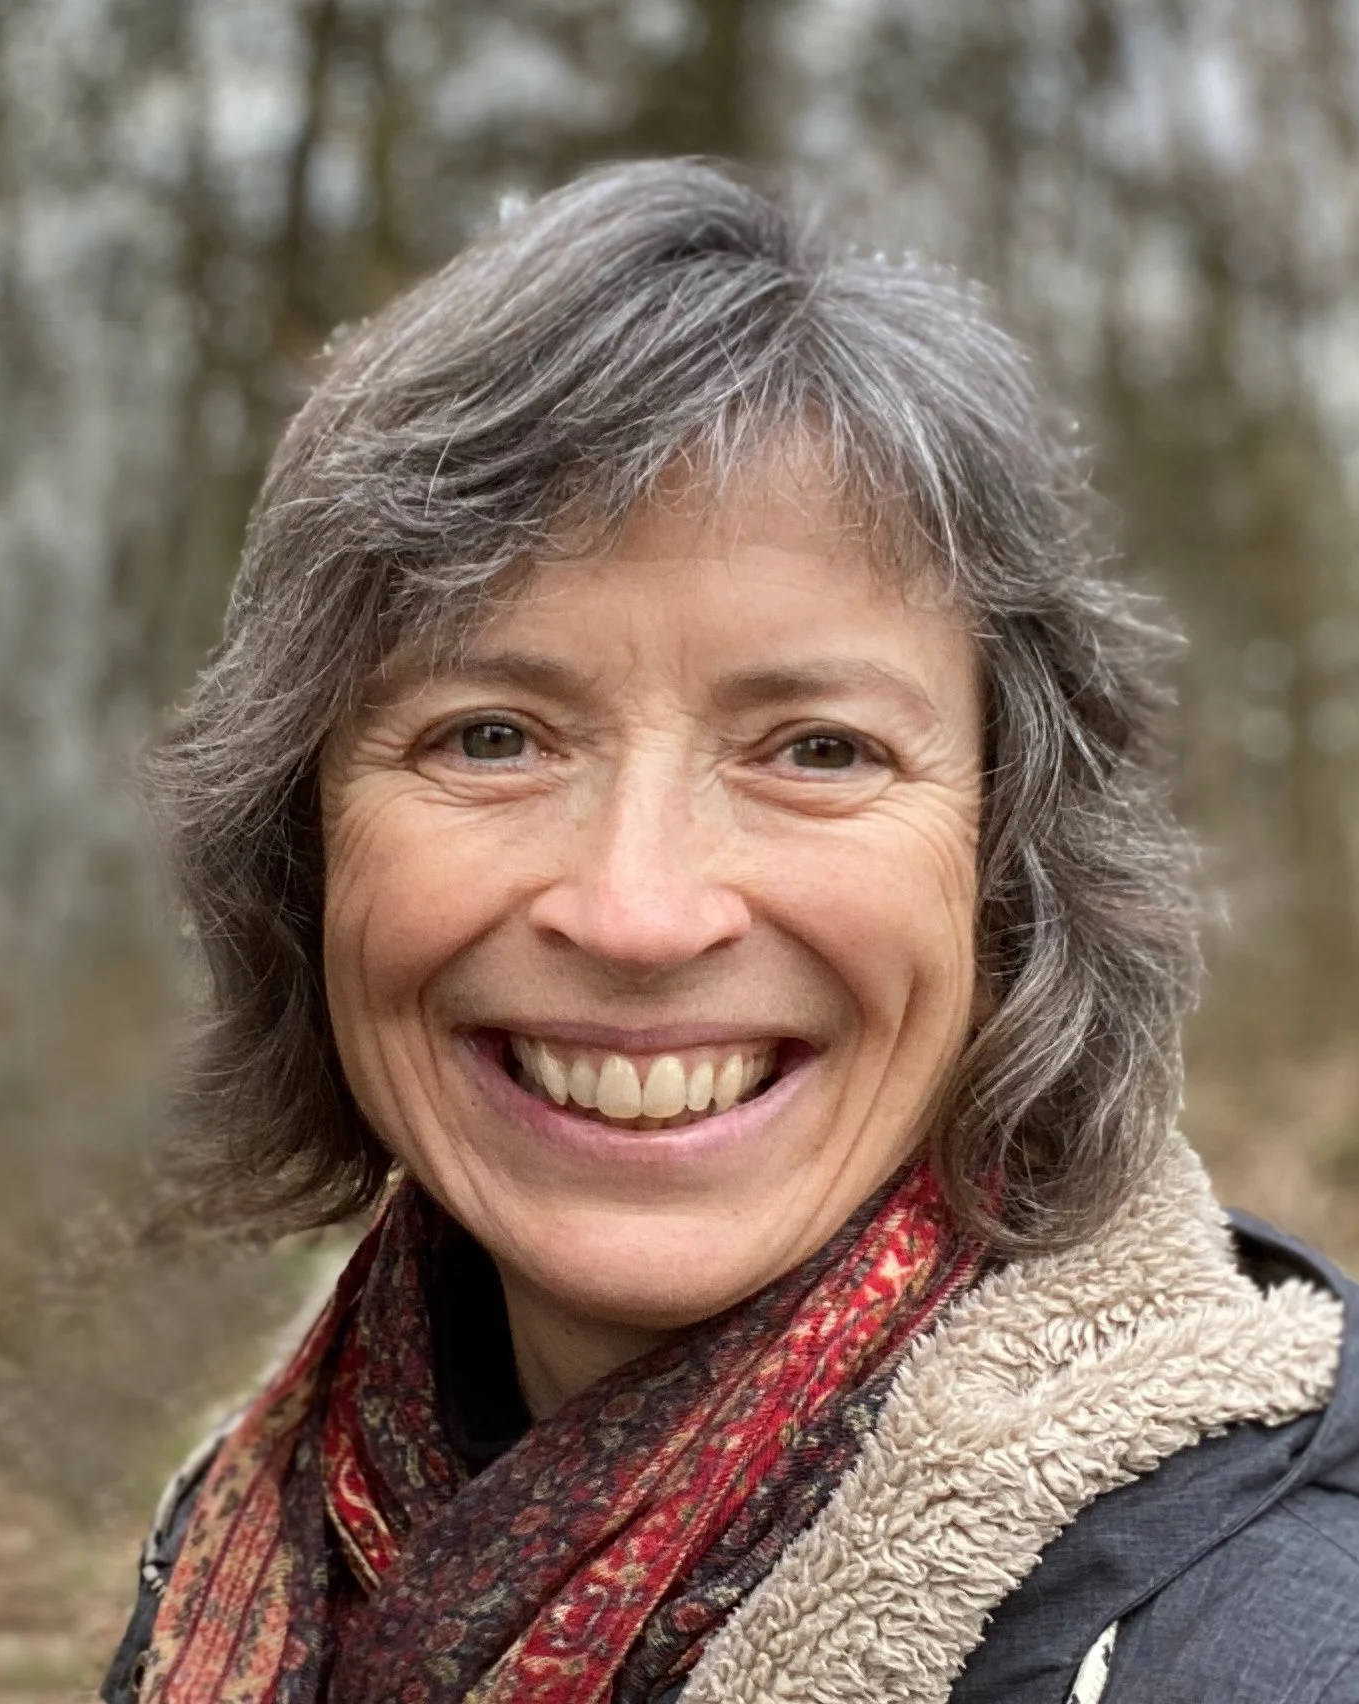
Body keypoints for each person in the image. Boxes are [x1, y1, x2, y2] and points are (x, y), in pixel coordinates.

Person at [103, 159, 1359, 1704]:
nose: (637, 911)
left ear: (1009, 867)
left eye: (818, 750)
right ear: (301, 854)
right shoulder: (259, 1538)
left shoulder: (1264, 1650)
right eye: (492, 738)